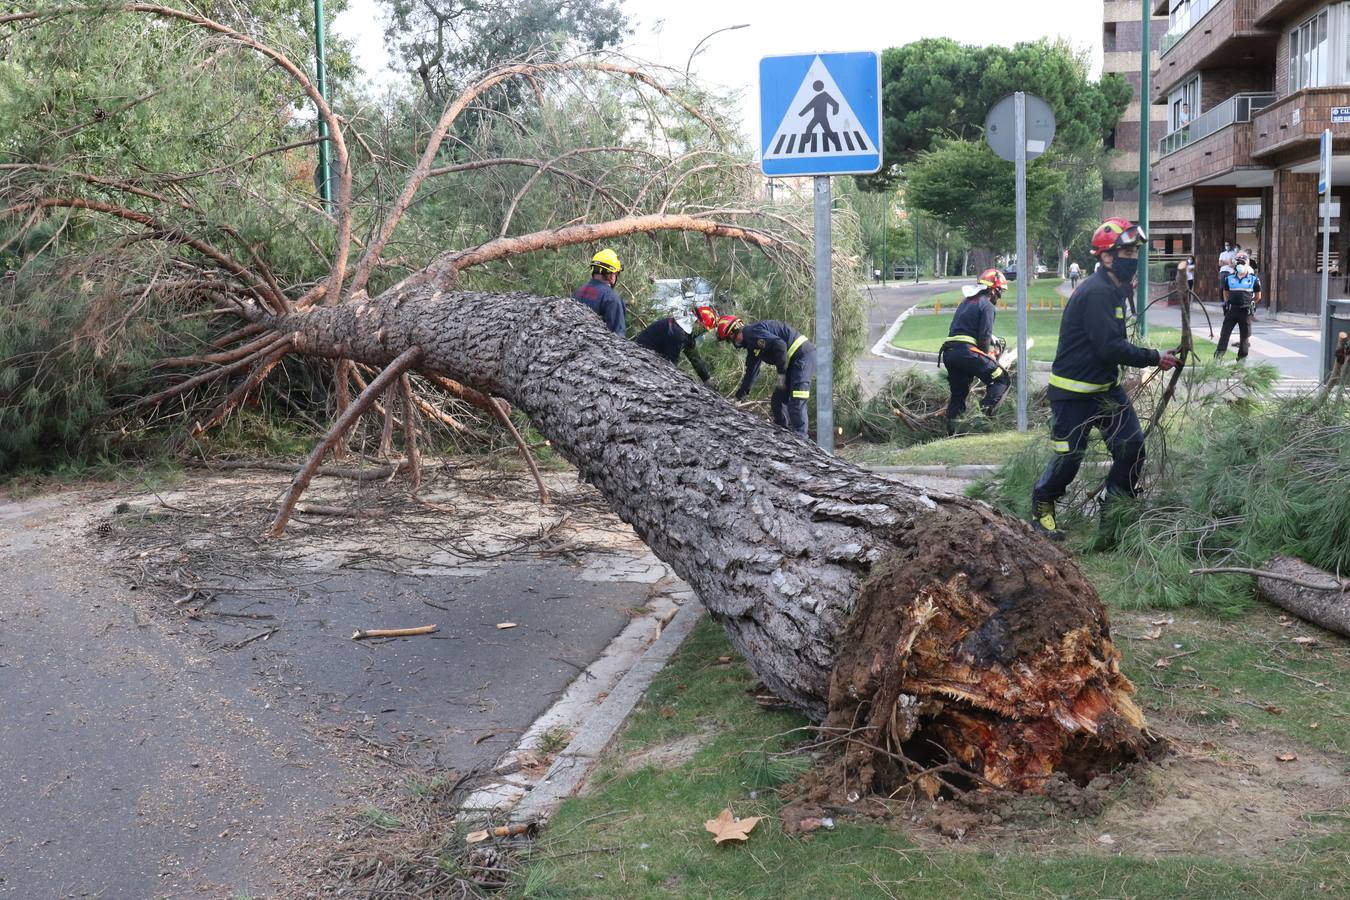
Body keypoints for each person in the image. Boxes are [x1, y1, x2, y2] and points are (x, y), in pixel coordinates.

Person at [1030, 217, 1181, 542]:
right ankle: (1042, 504)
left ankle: (1114, 517)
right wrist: (1155, 357)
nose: (1132, 258)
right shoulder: (1096, 292)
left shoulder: (1113, 288)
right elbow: (1109, 347)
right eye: (1126, 252)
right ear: (1107, 256)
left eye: (1134, 252)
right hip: (1072, 395)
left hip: (1106, 391)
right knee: (1068, 458)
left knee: (1132, 450)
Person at [714, 314, 816, 438]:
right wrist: (739, 396)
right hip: (793, 362)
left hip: (803, 355)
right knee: (777, 401)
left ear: (734, 332)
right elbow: (751, 372)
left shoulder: (751, 333)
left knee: (797, 398)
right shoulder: (752, 345)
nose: (733, 343)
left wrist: (781, 375)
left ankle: (801, 439)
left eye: (730, 339)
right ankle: (786, 434)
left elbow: (780, 345)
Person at [940, 268, 1011, 436]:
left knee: (959, 395)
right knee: (1001, 379)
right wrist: (987, 355)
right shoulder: (987, 306)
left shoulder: (966, 302)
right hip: (967, 353)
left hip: (950, 353)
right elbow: (984, 337)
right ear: (993, 290)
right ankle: (981, 421)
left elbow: (965, 328)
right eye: (999, 293)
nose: (999, 297)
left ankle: (952, 434)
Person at [633, 305, 717, 383]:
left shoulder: (684, 332)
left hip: (651, 357)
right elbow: (670, 364)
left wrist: (707, 379)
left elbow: (695, 359)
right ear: (698, 324)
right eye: (703, 329)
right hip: (641, 356)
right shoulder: (677, 333)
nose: (701, 333)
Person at [1217, 252, 1262, 360]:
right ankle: (1218, 357)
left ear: (1247, 264)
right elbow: (1226, 293)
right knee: (1225, 333)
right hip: (1232, 310)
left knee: (1245, 336)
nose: (1240, 265)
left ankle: (1241, 360)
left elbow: (1258, 297)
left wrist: (1251, 304)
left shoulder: (1254, 279)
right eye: (1238, 263)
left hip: (1245, 311)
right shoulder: (1229, 278)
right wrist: (1228, 303)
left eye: (1243, 262)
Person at [573, 248, 625, 335]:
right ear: (612, 276)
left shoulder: (577, 292)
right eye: (616, 273)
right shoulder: (612, 299)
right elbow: (618, 336)